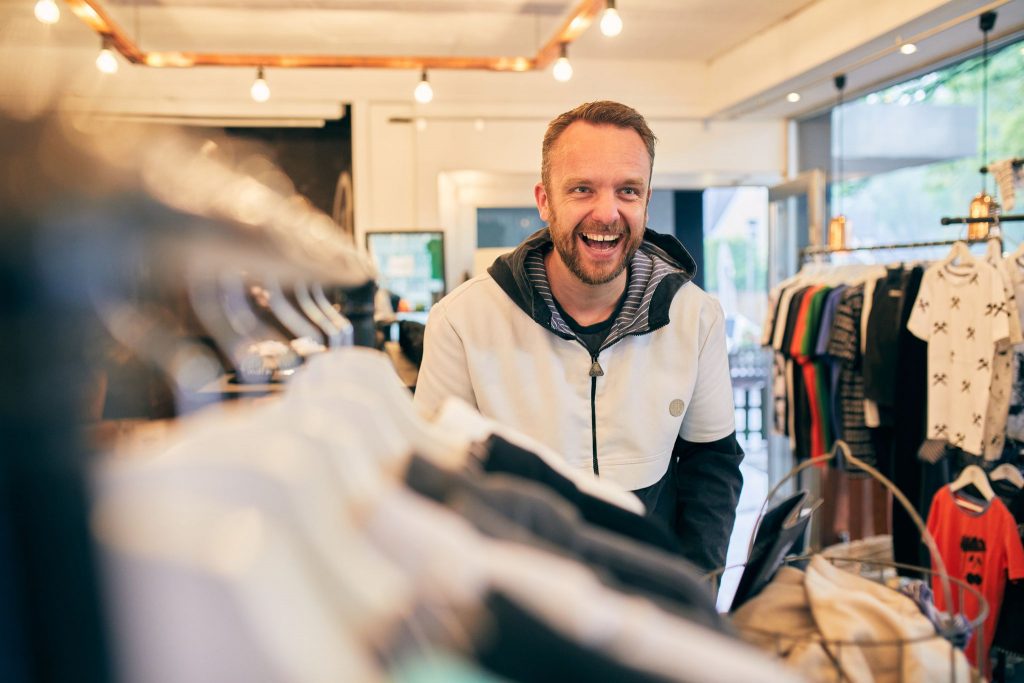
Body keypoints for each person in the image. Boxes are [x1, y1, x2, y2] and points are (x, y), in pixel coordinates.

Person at [413, 100, 743, 572]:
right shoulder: (462, 321)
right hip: (519, 600)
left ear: (647, 200)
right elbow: (438, 481)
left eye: (628, 191)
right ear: (545, 201)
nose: (606, 212)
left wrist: (694, 587)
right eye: (582, 189)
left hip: (650, 594)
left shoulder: (696, 317)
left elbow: (712, 465)